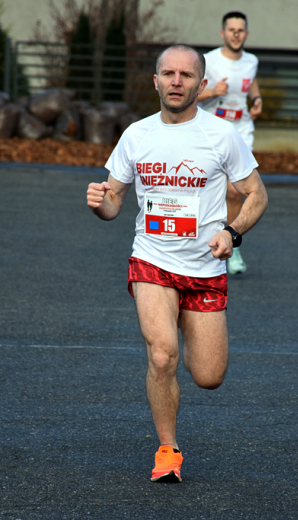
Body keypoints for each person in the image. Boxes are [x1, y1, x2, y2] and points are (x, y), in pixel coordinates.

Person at [86, 44, 268, 482]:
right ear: (155, 81)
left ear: (201, 84)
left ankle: (189, 325)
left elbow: (257, 195)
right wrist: (99, 203)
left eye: (186, 75)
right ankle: (167, 450)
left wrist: (231, 233)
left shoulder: (222, 135)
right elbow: (114, 203)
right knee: (162, 354)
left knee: (208, 376)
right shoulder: (137, 135)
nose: (176, 81)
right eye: (168, 73)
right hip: (152, 260)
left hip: (204, 268)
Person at [197, 11, 262, 275]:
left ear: (246, 34)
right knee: (207, 189)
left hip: (241, 130)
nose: (236, 34)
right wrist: (213, 91)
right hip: (212, 131)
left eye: (240, 30)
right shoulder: (209, 61)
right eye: (231, 30)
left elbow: (251, 82)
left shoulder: (251, 61)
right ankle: (200, 243)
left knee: (236, 191)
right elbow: (190, 94)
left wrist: (257, 100)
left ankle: (232, 244)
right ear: (223, 33)